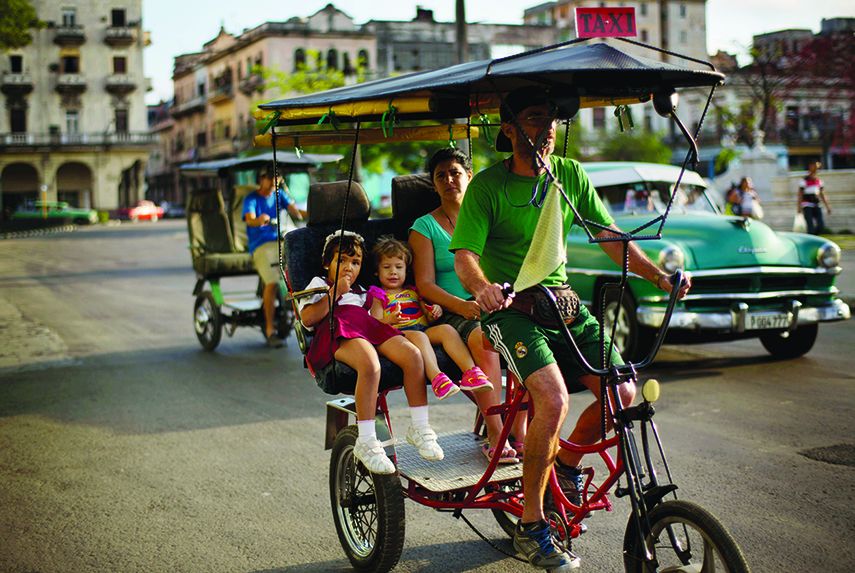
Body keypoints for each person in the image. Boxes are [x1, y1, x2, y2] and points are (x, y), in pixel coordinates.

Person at [450, 86, 691, 570]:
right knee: (554, 399)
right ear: (509, 128)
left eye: (553, 119)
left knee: (623, 394)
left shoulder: (570, 175)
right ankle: (531, 525)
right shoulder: (487, 187)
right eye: (535, 117)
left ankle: (564, 463)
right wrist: (482, 289)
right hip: (511, 312)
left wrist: (659, 278)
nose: (547, 128)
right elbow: (465, 258)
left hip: (563, 306)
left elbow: (609, 236)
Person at [409, 147, 526, 464]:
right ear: (434, 184)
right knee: (484, 339)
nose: (449, 180)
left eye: (455, 173)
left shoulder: (488, 217)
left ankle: (521, 432)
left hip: (495, 303)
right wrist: (462, 306)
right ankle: (496, 434)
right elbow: (425, 285)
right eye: (441, 176)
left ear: (469, 177)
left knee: (529, 337)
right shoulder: (424, 227)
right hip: (450, 312)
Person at [298, 231, 444, 475]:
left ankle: (420, 426)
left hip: (368, 327)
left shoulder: (362, 291)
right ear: (326, 264)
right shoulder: (319, 284)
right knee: (370, 364)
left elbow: (374, 318)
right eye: (341, 261)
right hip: (339, 330)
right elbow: (308, 318)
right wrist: (335, 292)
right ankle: (366, 440)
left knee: (413, 355)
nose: (349, 267)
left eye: (355, 262)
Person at [368, 238, 501, 406]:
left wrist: (433, 313)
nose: (393, 272)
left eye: (399, 267)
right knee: (420, 337)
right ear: (377, 271)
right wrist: (389, 319)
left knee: (447, 329)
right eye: (387, 267)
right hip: (399, 334)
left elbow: (426, 316)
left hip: (422, 329)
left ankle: (471, 373)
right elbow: (374, 323)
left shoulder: (413, 291)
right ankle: (437, 377)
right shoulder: (378, 295)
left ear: (406, 269)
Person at [243, 163, 304, 348]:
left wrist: (316, 211)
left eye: (276, 178)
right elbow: (250, 219)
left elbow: (296, 211)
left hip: (282, 241)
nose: (272, 182)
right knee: (271, 282)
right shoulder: (251, 199)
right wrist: (259, 220)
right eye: (269, 178)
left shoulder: (280, 195)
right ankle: (270, 330)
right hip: (262, 245)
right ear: (261, 179)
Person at [798, 161, 832, 235]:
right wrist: (799, 207)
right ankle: (811, 235)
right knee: (810, 226)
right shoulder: (804, 180)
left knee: (821, 225)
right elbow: (800, 194)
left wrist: (827, 206)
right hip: (807, 204)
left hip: (816, 204)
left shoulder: (819, 181)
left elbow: (822, 194)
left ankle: (815, 235)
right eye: (814, 167)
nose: (815, 169)